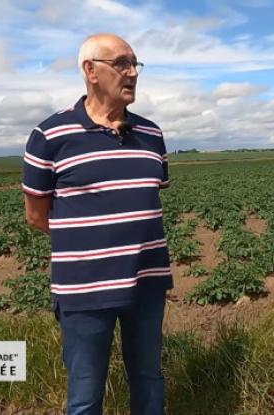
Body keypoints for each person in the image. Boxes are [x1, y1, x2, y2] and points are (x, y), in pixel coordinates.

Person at [22, 33, 172, 415]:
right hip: (84, 291)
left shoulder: (152, 134)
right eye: (122, 63)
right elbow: (37, 216)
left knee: (149, 380)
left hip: (146, 283)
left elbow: (145, 199)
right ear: (90, 71)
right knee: (86, 395)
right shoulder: (49, 136)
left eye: (136, 63)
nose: (133, 72)